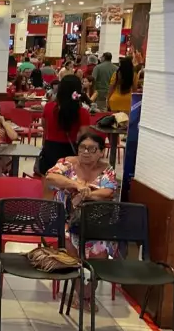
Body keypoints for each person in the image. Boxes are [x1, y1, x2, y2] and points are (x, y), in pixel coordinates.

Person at [45, 131, 117, 308]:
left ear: (101, 152)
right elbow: (50, 177)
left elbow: (109, 191)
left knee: (99, 252)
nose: (86, 152)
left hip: (94, 222)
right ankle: (81, 295)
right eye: (82, 147)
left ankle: (87, 295)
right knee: (71, 247)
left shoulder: (106, 169)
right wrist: (76, 185)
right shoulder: (67, 163)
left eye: (92, 149)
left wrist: (85, 195)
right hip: (64, 219)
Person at [39, 74, 90, 174]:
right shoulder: (82, 112)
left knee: (49, 180)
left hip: (50, 150)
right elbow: (83, 136)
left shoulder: (48, 107)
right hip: (71, 152)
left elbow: (45, 127)